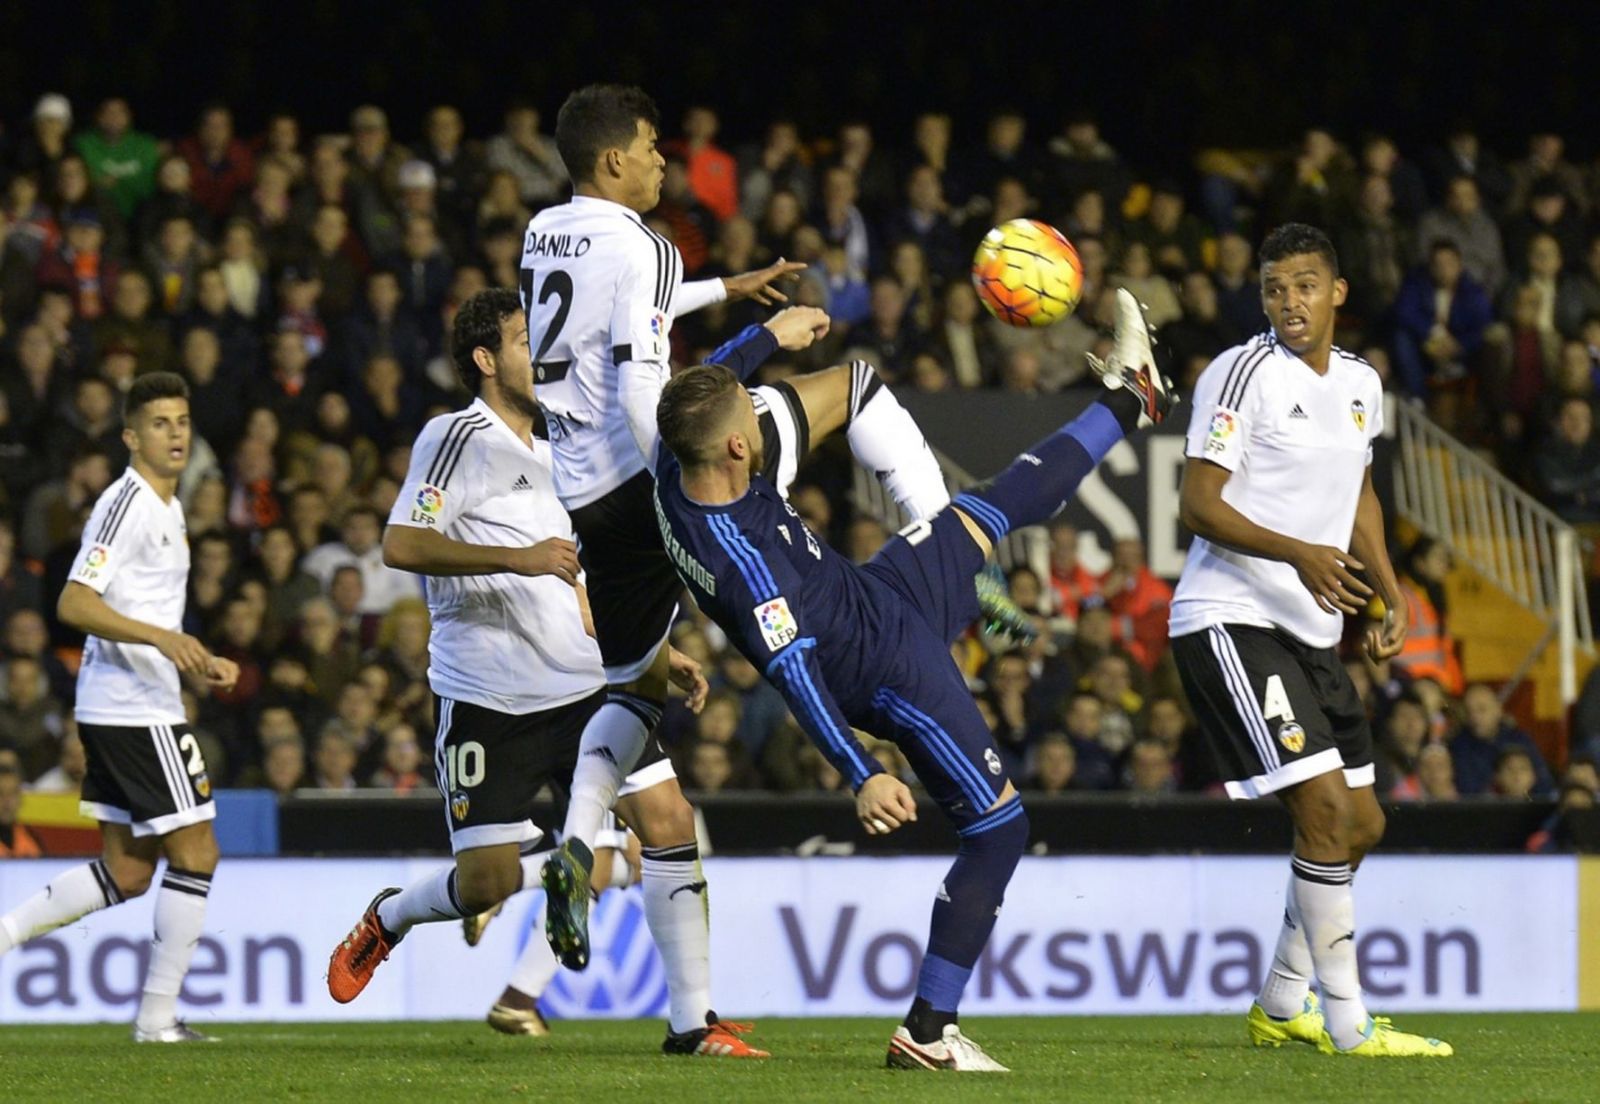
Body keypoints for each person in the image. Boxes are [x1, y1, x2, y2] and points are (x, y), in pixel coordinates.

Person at [521, 85, 1023, 998]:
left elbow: (621, 315)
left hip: (584, 500)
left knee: (632, 689)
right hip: (666, 479)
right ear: (614, 161)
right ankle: (951, 547)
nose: (663, 161)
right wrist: (761, 340)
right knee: (856, 386)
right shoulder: (646, 245)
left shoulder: (545, 232)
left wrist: (722, 288)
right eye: (651, 146)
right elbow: (648, 389)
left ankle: (577, 839)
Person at [651, 287, 1173, 1071]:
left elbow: (706, 382)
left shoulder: (676, 461)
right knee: (1000, 829)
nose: (763, 424)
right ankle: (928, 1032)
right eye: (751, 425)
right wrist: (862, 772)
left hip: (877, 592)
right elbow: (793, 672)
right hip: (885, 669)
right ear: (733, 449)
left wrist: (767, 336)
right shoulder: (745, 566)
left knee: (989, 508)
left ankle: (1132, 398)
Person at [324, 290, 771, 1060]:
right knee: (487, 882)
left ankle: (693, 1024)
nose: (549, 357)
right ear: (485, 359)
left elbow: (575, 583)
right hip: (489, 701)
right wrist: (518, 558)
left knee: (668, 822)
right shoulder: (456, 436)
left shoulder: (567, 449)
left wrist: (656, 653)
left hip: (586, 690)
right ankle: (390, 918)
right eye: (527, 342)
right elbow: (402, 543)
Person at [1169, 222, 1452, 1058]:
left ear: (1336, 293)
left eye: (1303, 285)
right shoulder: (1241, 372)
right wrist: (1299, 553)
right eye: (1273, 288)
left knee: (1361, 824)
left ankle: (1281, 1002)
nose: (1288, 301)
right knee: (1325, 812)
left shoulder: (1362, 382)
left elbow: (1357, 489)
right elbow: (1197, 504)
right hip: (1230, 616)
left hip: (1311, 629)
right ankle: (1349, 1025)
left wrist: (1389, 590)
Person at [0, 372, 240, 1043]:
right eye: (159, 423)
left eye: (182, 421)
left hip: (130, 700)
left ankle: (5, 934)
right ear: (131, 436)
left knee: (130, 872)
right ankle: (157, 1020)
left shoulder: (169, 505)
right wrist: (163, 640)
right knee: (198, 852)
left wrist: (196, 656)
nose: (175, 434)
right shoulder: (127, 501)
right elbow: (75, 602)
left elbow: (146, 608)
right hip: (133, 707)